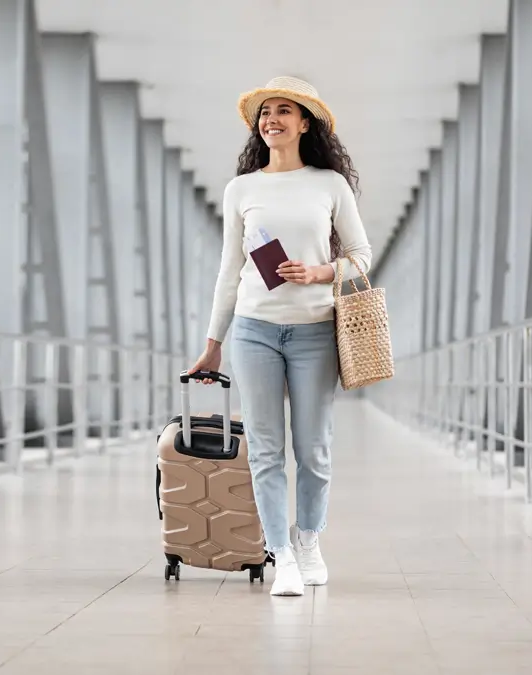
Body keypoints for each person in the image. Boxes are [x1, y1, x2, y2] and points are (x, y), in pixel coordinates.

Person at [189, 76, 372, 597]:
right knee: (266, 450)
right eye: (265, 112)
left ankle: (308, 539)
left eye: (283, 111)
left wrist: (318, 272)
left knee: (313, 448)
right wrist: (213, 342)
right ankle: (281, 555)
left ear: (305, 122)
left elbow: (361, 256)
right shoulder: (241, 189)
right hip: (253, 331)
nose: (272, 120)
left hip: (316, 331)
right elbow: (230, 269)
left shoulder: (329, 184)